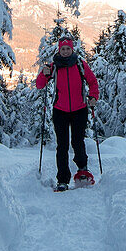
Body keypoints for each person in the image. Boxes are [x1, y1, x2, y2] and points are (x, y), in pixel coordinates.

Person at [36, 37, 99, 191]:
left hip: (79, 109)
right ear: (59, 50)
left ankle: (82, 169)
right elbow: (39, 85)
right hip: (60, 111)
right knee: (62, 145)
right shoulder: (53, 67)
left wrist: (93, 97)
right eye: (63, 49)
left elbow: (92, 82)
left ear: (72, 50)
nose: (65, 51)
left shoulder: (79, 65)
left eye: (68, 49)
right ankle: (63, 179)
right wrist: (44, 74)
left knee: (78, 141)